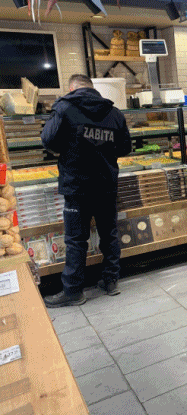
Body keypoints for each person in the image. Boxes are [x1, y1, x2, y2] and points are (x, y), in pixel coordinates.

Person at [41, 74, 132, 308]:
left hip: (77, 185)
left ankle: (73, 291)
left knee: (76, 240)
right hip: (106, 184)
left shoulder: (64, 107)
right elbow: (125, 148)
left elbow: (48, 140)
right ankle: (111, 281)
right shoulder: (114, 113)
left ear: (72, 88)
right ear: (92, 88)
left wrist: (70, 147)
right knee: (109, 235)